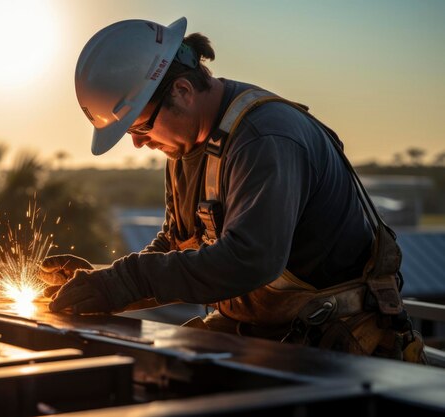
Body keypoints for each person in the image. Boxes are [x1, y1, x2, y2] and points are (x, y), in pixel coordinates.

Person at [40, 17, 426, 362]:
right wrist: (102, 282)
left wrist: (127, 280)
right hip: (268, 334)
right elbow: (178, 245)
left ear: (182, 92)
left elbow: (250, 259)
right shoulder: (185, 148)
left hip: (338, 346)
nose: (139, 143)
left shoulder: (265, 139)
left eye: (140, 127)